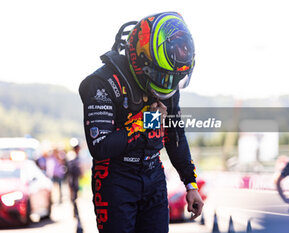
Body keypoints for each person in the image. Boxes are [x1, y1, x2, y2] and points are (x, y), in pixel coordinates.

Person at [79, 12, 203, 233]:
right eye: (163, 76)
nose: (167, 83)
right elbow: (101, 146)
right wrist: (148, 121)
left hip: (154, 174)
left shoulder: (170, 80)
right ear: (142, 59)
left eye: (173, 78)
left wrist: (190, 184)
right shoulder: (101, 83)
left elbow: (175, 135)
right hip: (115, 178)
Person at [66, 138, 82, 218]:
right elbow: (71, 170)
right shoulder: (72, 157)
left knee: (75, 197)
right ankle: (75, 212)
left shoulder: (76, 156)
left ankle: (75, 211)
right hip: (73, 179)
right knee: (73, 197)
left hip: (75, 179)